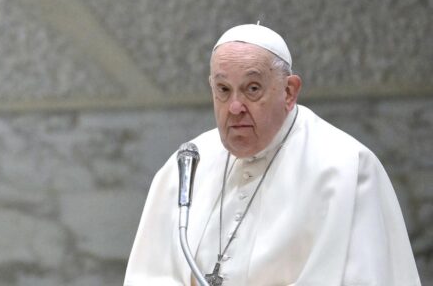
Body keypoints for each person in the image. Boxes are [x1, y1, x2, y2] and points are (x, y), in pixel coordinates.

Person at [124, 23, 420, 285]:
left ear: (289, 92)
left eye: (252, 89)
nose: (235, 106)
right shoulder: (189, 163)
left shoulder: (344, 167)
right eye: (223, 90)